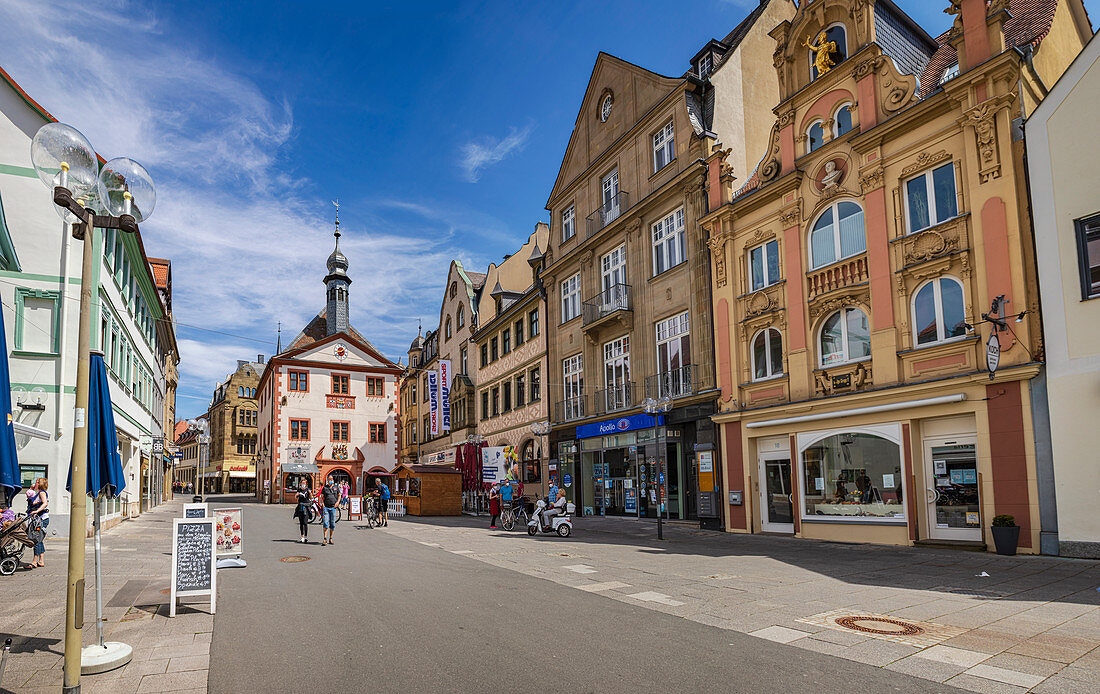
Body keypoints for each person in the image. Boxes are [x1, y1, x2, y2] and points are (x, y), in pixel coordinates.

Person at [25, 478, 49, 567]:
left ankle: (34, 561)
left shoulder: (42, 493)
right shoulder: (38, 493)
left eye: (37, 482)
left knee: (36, 538)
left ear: (40, 484)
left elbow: (45, 503)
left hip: (41, 519)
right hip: (39, 519)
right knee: (39, 539)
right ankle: (41, 560)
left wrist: (36, 511)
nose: (35, 483)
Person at [319, 476, 339, 545]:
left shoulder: (336, 487)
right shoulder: (325, 488)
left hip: (333, 508)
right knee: (325, 522)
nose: (331, 480)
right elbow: (321, 497)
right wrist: (323, 505)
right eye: (329, 479)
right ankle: (325, 539)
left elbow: (339, 495)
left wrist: (338, 502)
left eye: (332, 479)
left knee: (332, 523)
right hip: (326, 508)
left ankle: (330, 538)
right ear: (327, 480)